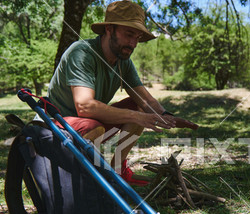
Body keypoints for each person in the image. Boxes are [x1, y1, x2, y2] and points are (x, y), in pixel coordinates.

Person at [47, 0, 198, 186]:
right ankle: (89, 177)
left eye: (138, 37)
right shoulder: (82, 53)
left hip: (92, 124)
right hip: (59, 126)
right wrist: (136, 117)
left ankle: (118, 171)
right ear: (109, 29)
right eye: (128, 35)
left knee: (138, 109)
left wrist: (166, 116)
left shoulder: (123, 61)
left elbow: (144, 99)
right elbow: (85, 106)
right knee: (95, 125)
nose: (133, 43)